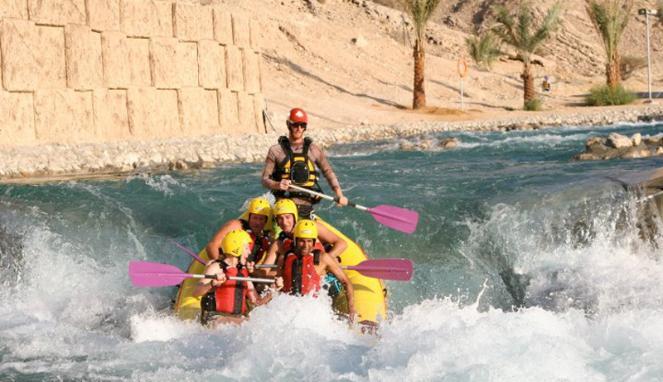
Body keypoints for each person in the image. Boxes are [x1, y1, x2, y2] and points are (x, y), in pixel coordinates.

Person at [261, 107, 348, 219]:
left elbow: (328, 172)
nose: (299, 128)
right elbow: (265, 180)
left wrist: (339, 194)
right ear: (288, 124)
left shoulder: (314, 150)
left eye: (302, 125)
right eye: (295, 125)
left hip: (305, 208)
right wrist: (277, 184)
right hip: (282, 211)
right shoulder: (276, 151)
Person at [194, 230, 281, 327]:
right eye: (246, 248)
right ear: (236, 249)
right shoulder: (217, 267)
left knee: (251, 323)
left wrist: (273, 289)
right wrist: (212, 284)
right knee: (245, 323)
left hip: (235, 319)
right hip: (214, 318)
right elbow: (197, 291)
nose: (248, 252)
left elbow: (257, 302)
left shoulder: (243, 272)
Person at [277, 219, 355, 321]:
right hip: (289, 309)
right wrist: (261, 301)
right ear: (295, 240)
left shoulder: (323, 258)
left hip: (313, 311)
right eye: (301, 241)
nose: (305, 245)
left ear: (314, 242)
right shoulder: (284, 258)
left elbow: (346, 282)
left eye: (309, 241)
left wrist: (352, 310)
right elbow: (276, 287)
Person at [260, 198, 347, 270]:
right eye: (280, 219)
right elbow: (265, 269)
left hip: (324, 269)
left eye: (287, 217)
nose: (285, 222)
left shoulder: (312, 227)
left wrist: (327, 259)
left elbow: (342, 243)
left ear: (294, 217)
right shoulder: (280, 243)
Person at [205, 197, 272, 263]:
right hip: (225, 267)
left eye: (261, 219)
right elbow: (212, 246)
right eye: (254, 218)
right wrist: (220, 266)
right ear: (249, 217)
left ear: (266, 221)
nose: (257, 222)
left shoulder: (265, 238)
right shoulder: (236, 226)